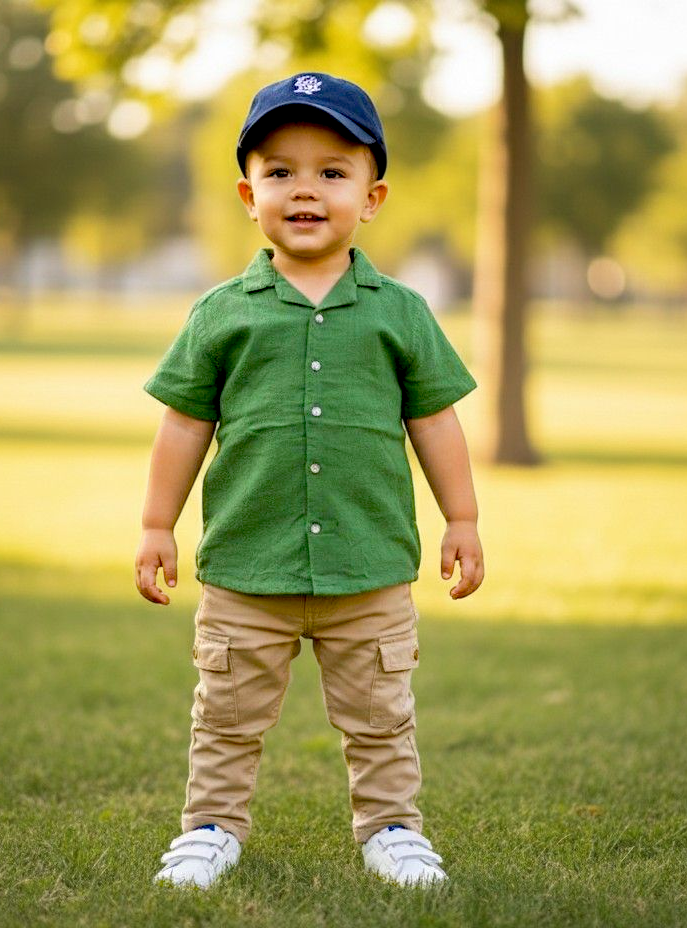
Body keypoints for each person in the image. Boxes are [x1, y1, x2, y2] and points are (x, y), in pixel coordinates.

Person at [136, 72, 485, 889]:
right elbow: (184, 424)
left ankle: (393, 828)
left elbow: (435, 420)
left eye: (332, 172)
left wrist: (462, 518)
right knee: (225, 718)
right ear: (246, 193)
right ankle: (211, 828)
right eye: (281, 171)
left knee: (381, 718)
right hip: (247, 567)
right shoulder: (222, 312)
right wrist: (157, 524)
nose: (305, 190)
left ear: (372, 197)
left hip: (369, 565)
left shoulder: (400, 311)